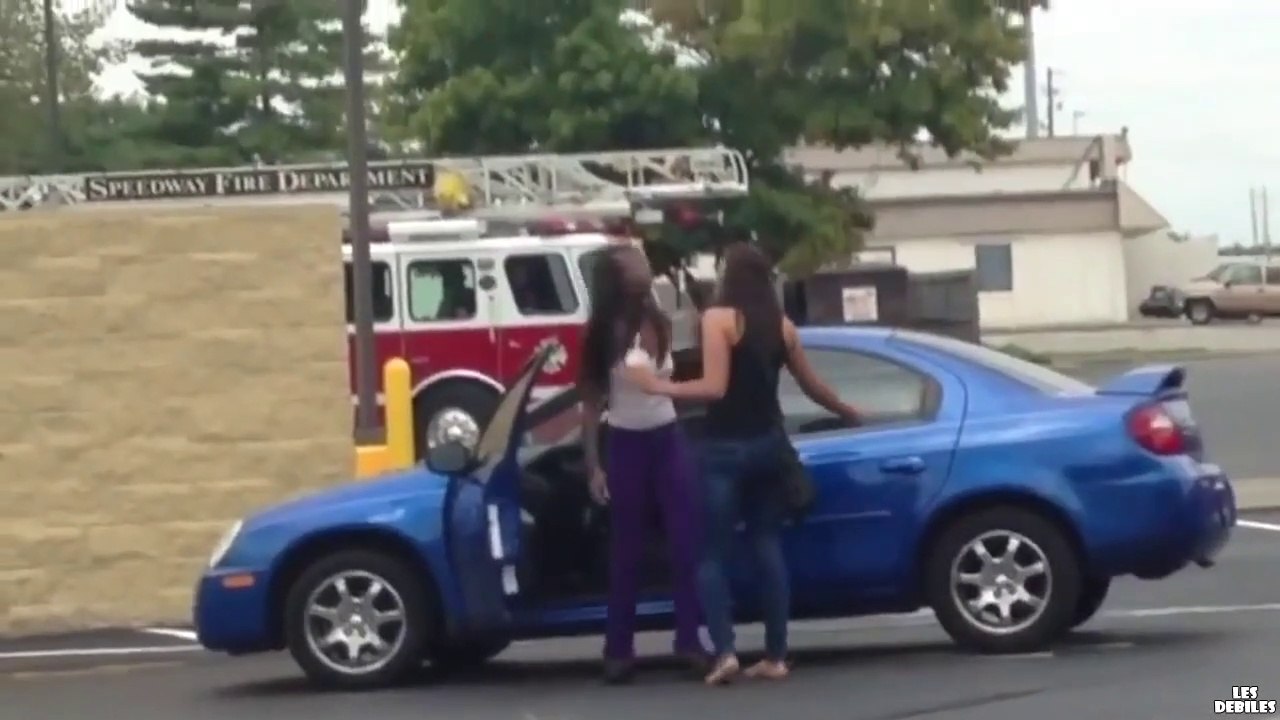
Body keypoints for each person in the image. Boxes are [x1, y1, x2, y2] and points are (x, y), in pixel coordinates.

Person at [636, 241, 860, 685]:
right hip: (769, 446)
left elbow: (715, 387)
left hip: (723, 449)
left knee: (711, 554)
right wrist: (850, 411)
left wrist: (657, 387)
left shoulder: (718, 320)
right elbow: (813, 386)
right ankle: (776, 656)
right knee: (767, 546)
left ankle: (725, 653)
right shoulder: (783, 327)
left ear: (728, 276)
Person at [578, 243, 709, 684]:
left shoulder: (658, 319)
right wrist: (593, 465)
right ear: (617, 275)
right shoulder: (602, 333)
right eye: (633, 259)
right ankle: (618, 649)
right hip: (626, 443)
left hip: (666, 437)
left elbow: (670, 378)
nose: (644, 261)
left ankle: (689, 640)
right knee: (626, 548)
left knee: (685, 539)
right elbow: (591, 403)